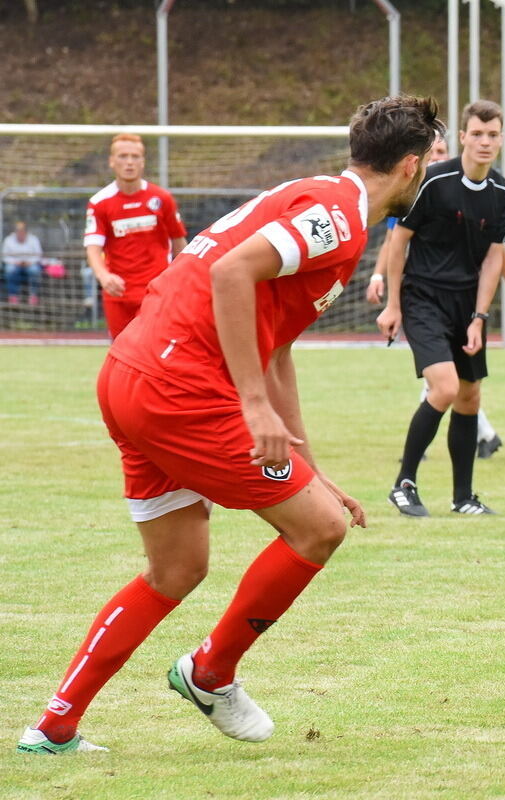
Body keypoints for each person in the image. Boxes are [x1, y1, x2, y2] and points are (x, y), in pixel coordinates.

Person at [16, 95, 443, 755]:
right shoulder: (338, 216)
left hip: (130, 376)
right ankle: (210, 672)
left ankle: (53, 727)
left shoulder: (320, 197)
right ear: (411, 166)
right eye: (432, 162)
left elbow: (274, 346)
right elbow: (230, 271)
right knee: (320, 530)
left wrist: (312, 468)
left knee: (176, 569)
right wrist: (251, 403)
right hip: (180, 388)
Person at [377, 99, 505, 517]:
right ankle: (404, 484)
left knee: (470, 398)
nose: (485, 142)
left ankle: (463, 498)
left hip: (466, 304)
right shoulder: (433, 181)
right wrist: (393, 305)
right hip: (423, 298)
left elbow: (494, 257)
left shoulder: (503, 193)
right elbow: (398, 242)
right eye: (477, 134)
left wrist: (480, 316)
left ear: (501, 139)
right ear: (462, 137)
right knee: (446, 388)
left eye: (492, 135)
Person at [84, 133, 188, 338]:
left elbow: (179, 244)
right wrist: (104, 277)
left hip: (157, 291)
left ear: (143, 162)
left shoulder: (161, 198)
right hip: (118, 293)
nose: (129, 162)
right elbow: (93, 247)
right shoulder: (99, 202)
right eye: (123, 156)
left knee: (155, 350)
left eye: (135, 156)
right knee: (121, 353)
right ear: (112, 161)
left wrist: (184, 280)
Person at [3, 221, 44, 305]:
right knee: (10, 270)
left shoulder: (33, 239)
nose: (20, 233)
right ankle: (13, 295)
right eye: (18, 231)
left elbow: (39, 255)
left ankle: (33, 295)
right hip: (14, 264)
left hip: (30, 264)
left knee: (35, 270)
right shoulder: (8, 240)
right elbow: (4, 256)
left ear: (26, 231)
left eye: (22, 231)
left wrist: (30, 262)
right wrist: (15, 262)